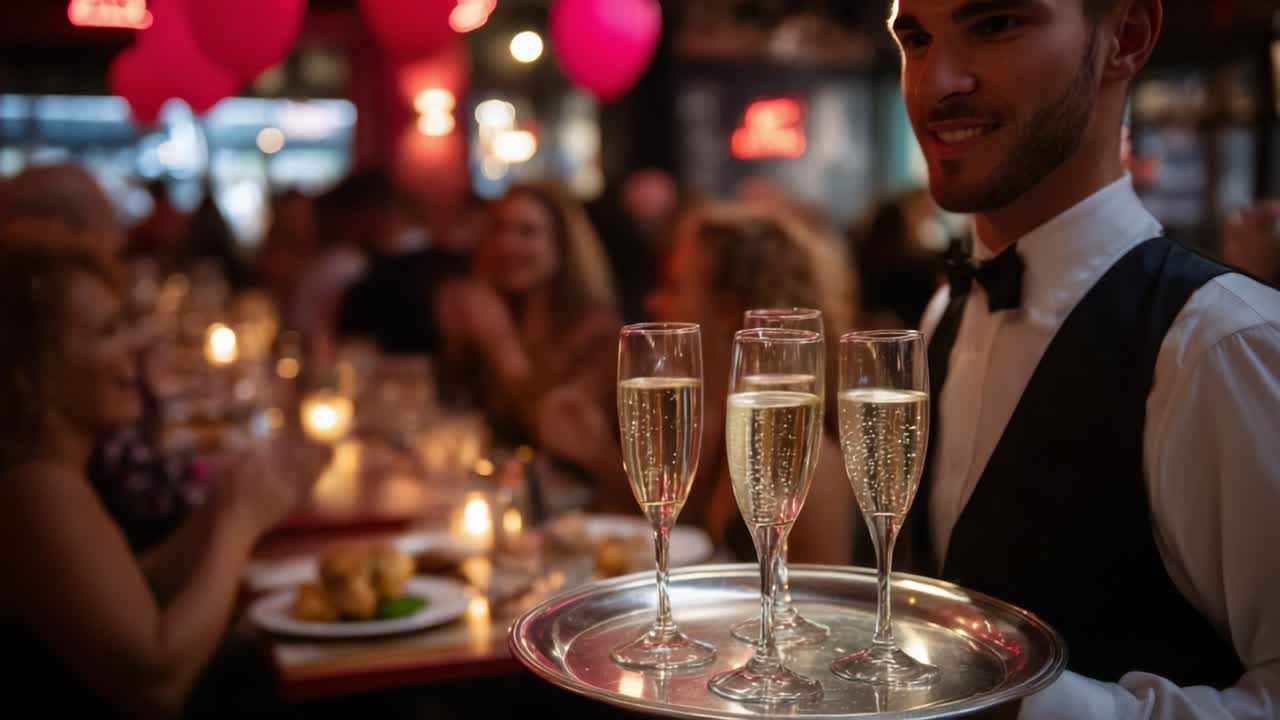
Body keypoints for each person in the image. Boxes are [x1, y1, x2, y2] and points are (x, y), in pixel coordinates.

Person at [890, 0, 1279, 717]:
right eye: (915, 37)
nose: (934, 82)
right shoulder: (944, 314)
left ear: (1125, 37)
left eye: (995, 24)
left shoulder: (1223, 345)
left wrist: (1038, 707)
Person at [0, 224, 326, 717]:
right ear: (30, 363)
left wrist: (223, 506)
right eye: (109, 331)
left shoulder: (50, 474)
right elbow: (156, 686)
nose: (138, 347)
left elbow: (134, 587)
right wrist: (239, 528)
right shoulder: (36, 491)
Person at [543, 204, 857, 565]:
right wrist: (598, 456)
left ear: (727, 309)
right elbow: (676, 535)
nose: (653, 301)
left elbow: (823, 601)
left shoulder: (804, 458)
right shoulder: (715, 423)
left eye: (673, 286)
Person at [437, 181, 620, 446]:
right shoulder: (490, 310)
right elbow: (451, 411)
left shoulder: (600, 335)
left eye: (527, 231)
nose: (507, 244)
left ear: (561, 246)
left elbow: (563, 440)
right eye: (498, 229)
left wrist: (502, 348)